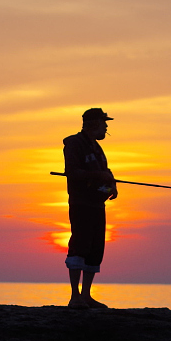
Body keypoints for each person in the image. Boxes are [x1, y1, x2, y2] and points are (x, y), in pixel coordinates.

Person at [63, 108, 118, 309]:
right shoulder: (74, 144)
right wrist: (98, 176)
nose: (106, 127)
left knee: (95, 248)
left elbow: (106, 171)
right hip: (81, 203)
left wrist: (112, 184)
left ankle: (86, 295)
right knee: (80, 245)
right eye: (104, 123)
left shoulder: (97, 148)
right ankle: (74, 296)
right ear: (93, 123)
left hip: (97, 204)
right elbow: (72, 172)